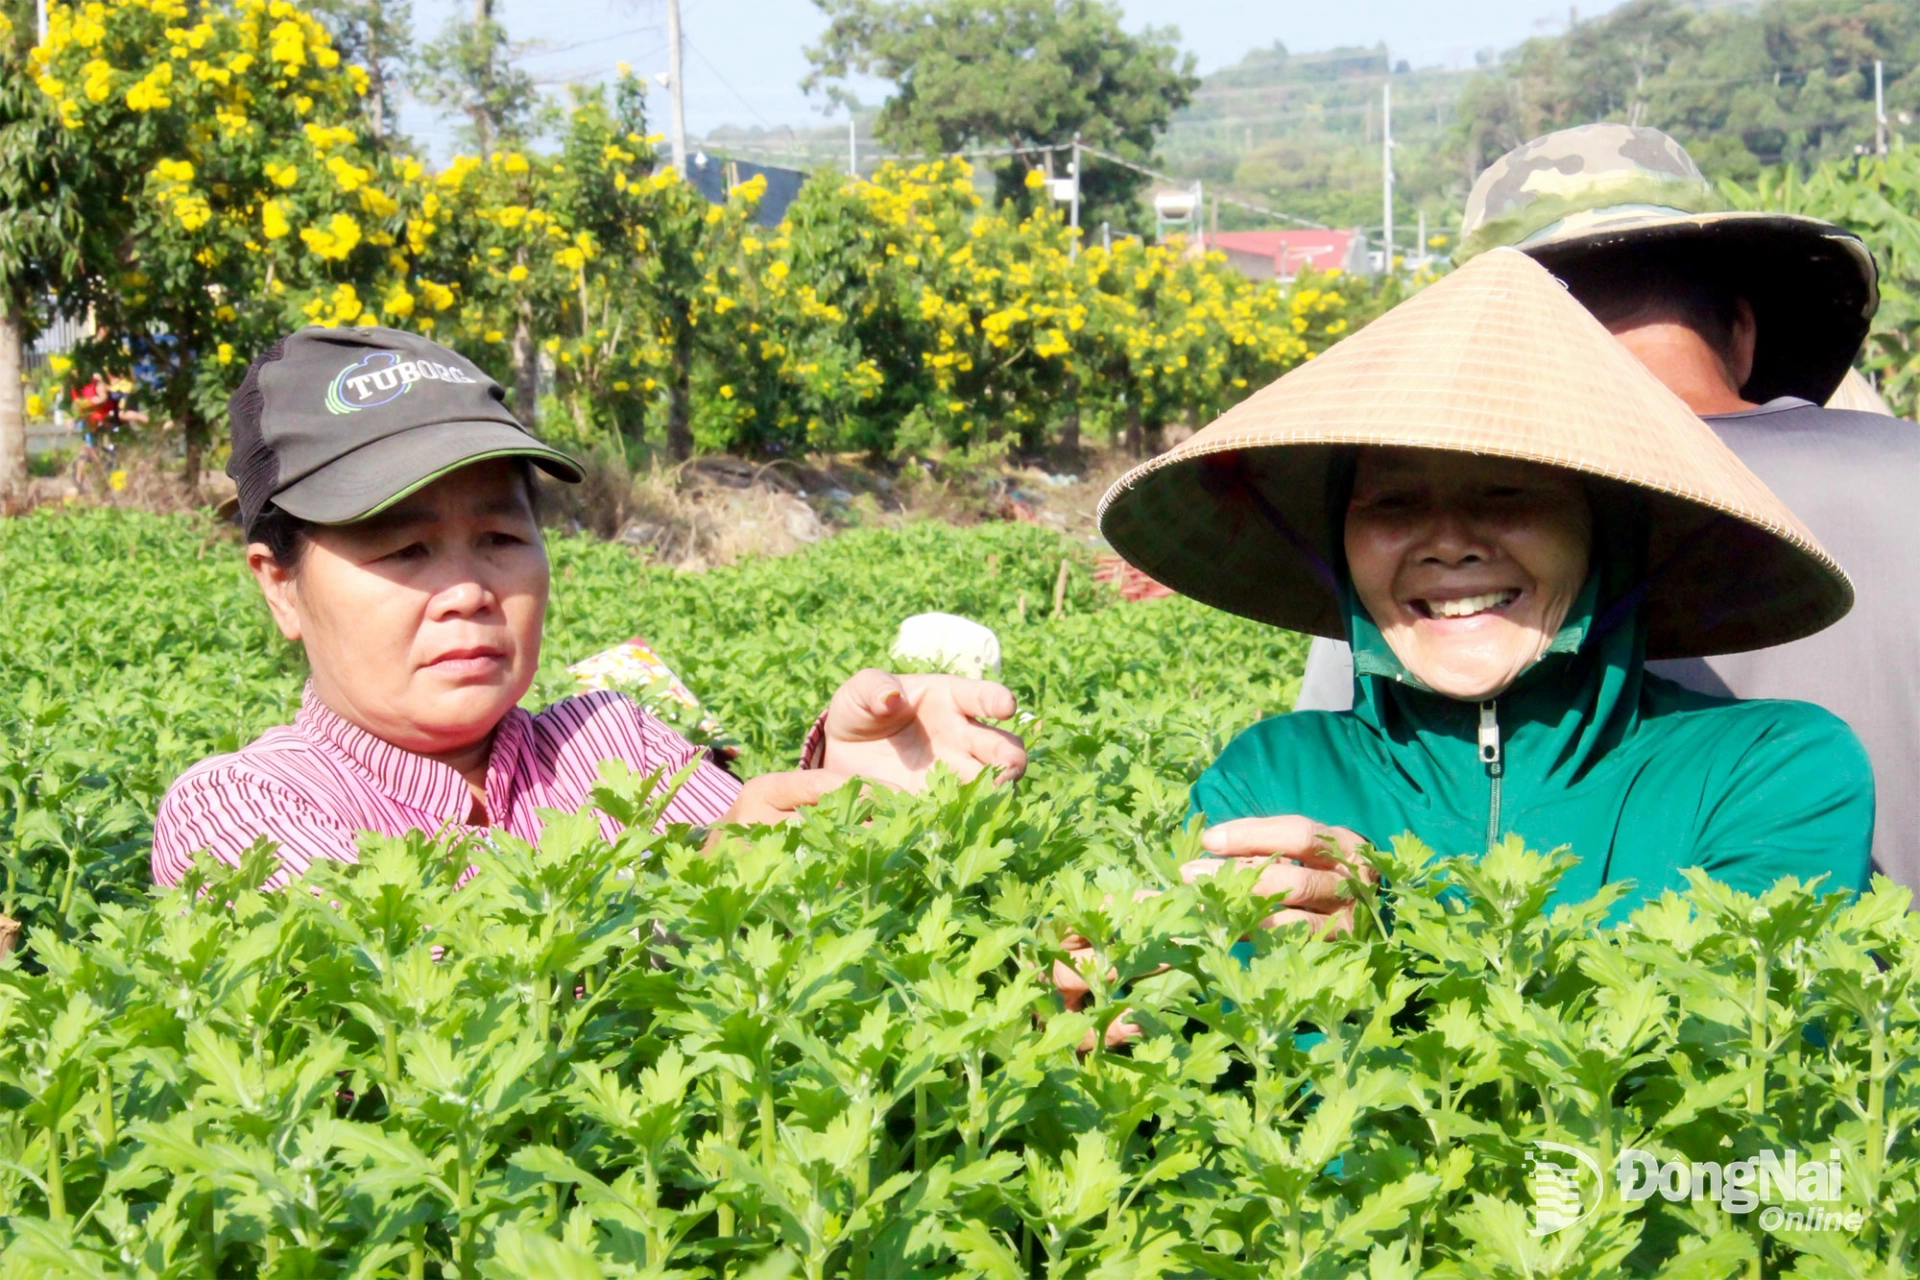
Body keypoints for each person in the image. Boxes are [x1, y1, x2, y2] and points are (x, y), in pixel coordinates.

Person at [1095, 248, 1873, 926]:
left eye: (1509, 494)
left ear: (1609, 533)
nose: (1449, 543)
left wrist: (1387, 935)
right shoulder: (1273, 777)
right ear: (1340, 539)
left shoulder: (1771, 769)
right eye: (1392, 502)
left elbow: (1727, 1048)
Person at [1292, 123, 1920, 904]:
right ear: (1744, 328)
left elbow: (1334, 827)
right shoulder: (1909, 471)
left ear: (1492, 354)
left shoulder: (1421, 564)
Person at [152, 328, 1028, 887]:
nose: (467, 592)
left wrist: (848, 793)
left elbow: (752, 837)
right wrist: (700, 880)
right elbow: (432, 988)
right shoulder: (241, 811)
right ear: (279, 584)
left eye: (500, 537)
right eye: (404, 550)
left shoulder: (609, 740)